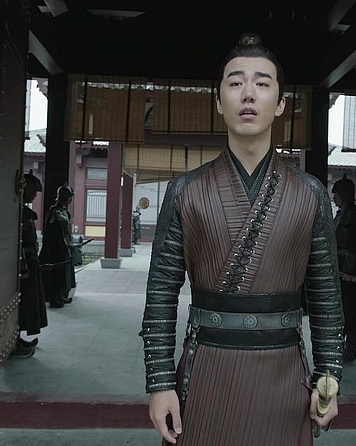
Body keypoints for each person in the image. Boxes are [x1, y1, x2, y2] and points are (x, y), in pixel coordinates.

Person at [140, 33, 345, 446]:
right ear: (219, 101)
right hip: (205, 372)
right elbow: (161, 293)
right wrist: (160, 382)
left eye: (262, 83)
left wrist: (329, 376)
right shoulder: (185, 191)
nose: (248, 93)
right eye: (235, 83)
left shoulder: (310, 193)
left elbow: (325, 296)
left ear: (281, 103)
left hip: (284, 376)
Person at [331, 175, 356, 361]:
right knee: (341, 311)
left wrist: (348, 272)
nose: (334, 198)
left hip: (350, 273)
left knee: (351, 311)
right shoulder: (341, 214)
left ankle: (350, 348)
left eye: (337, 195)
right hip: (340, 270)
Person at [12, 172, 48, 357]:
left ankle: (17, 338)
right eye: (33, 191)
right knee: (23, 303)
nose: (35, 195)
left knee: (28, 302)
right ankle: (13, 339)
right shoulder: (17, 213)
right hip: (23, 264)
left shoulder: (23, 212)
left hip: (30, 261)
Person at [39, 185, 76, 308]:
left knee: (63, 274)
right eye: (69, 197)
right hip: (54, 248)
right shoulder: (54, 211)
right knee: (55, 275)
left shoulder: (64, 211)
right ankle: (54, 298)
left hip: (63, 246)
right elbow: (51, 232)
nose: (70, 200)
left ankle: (61, 295)